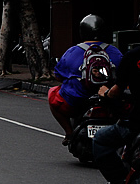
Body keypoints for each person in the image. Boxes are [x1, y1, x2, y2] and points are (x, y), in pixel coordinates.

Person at [93, 4, 140, 184]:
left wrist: (105, 93)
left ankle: (119, 180)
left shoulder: (133, 57)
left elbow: (116, 91)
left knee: (100, 140)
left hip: (139, 124)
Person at [48, 14, 123, 144]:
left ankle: (69, 133)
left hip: (78, 101)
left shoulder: (72, 52)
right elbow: (124, 76)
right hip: (109, 99)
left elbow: (59, 76)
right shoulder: (115, 52)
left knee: (52, 94)